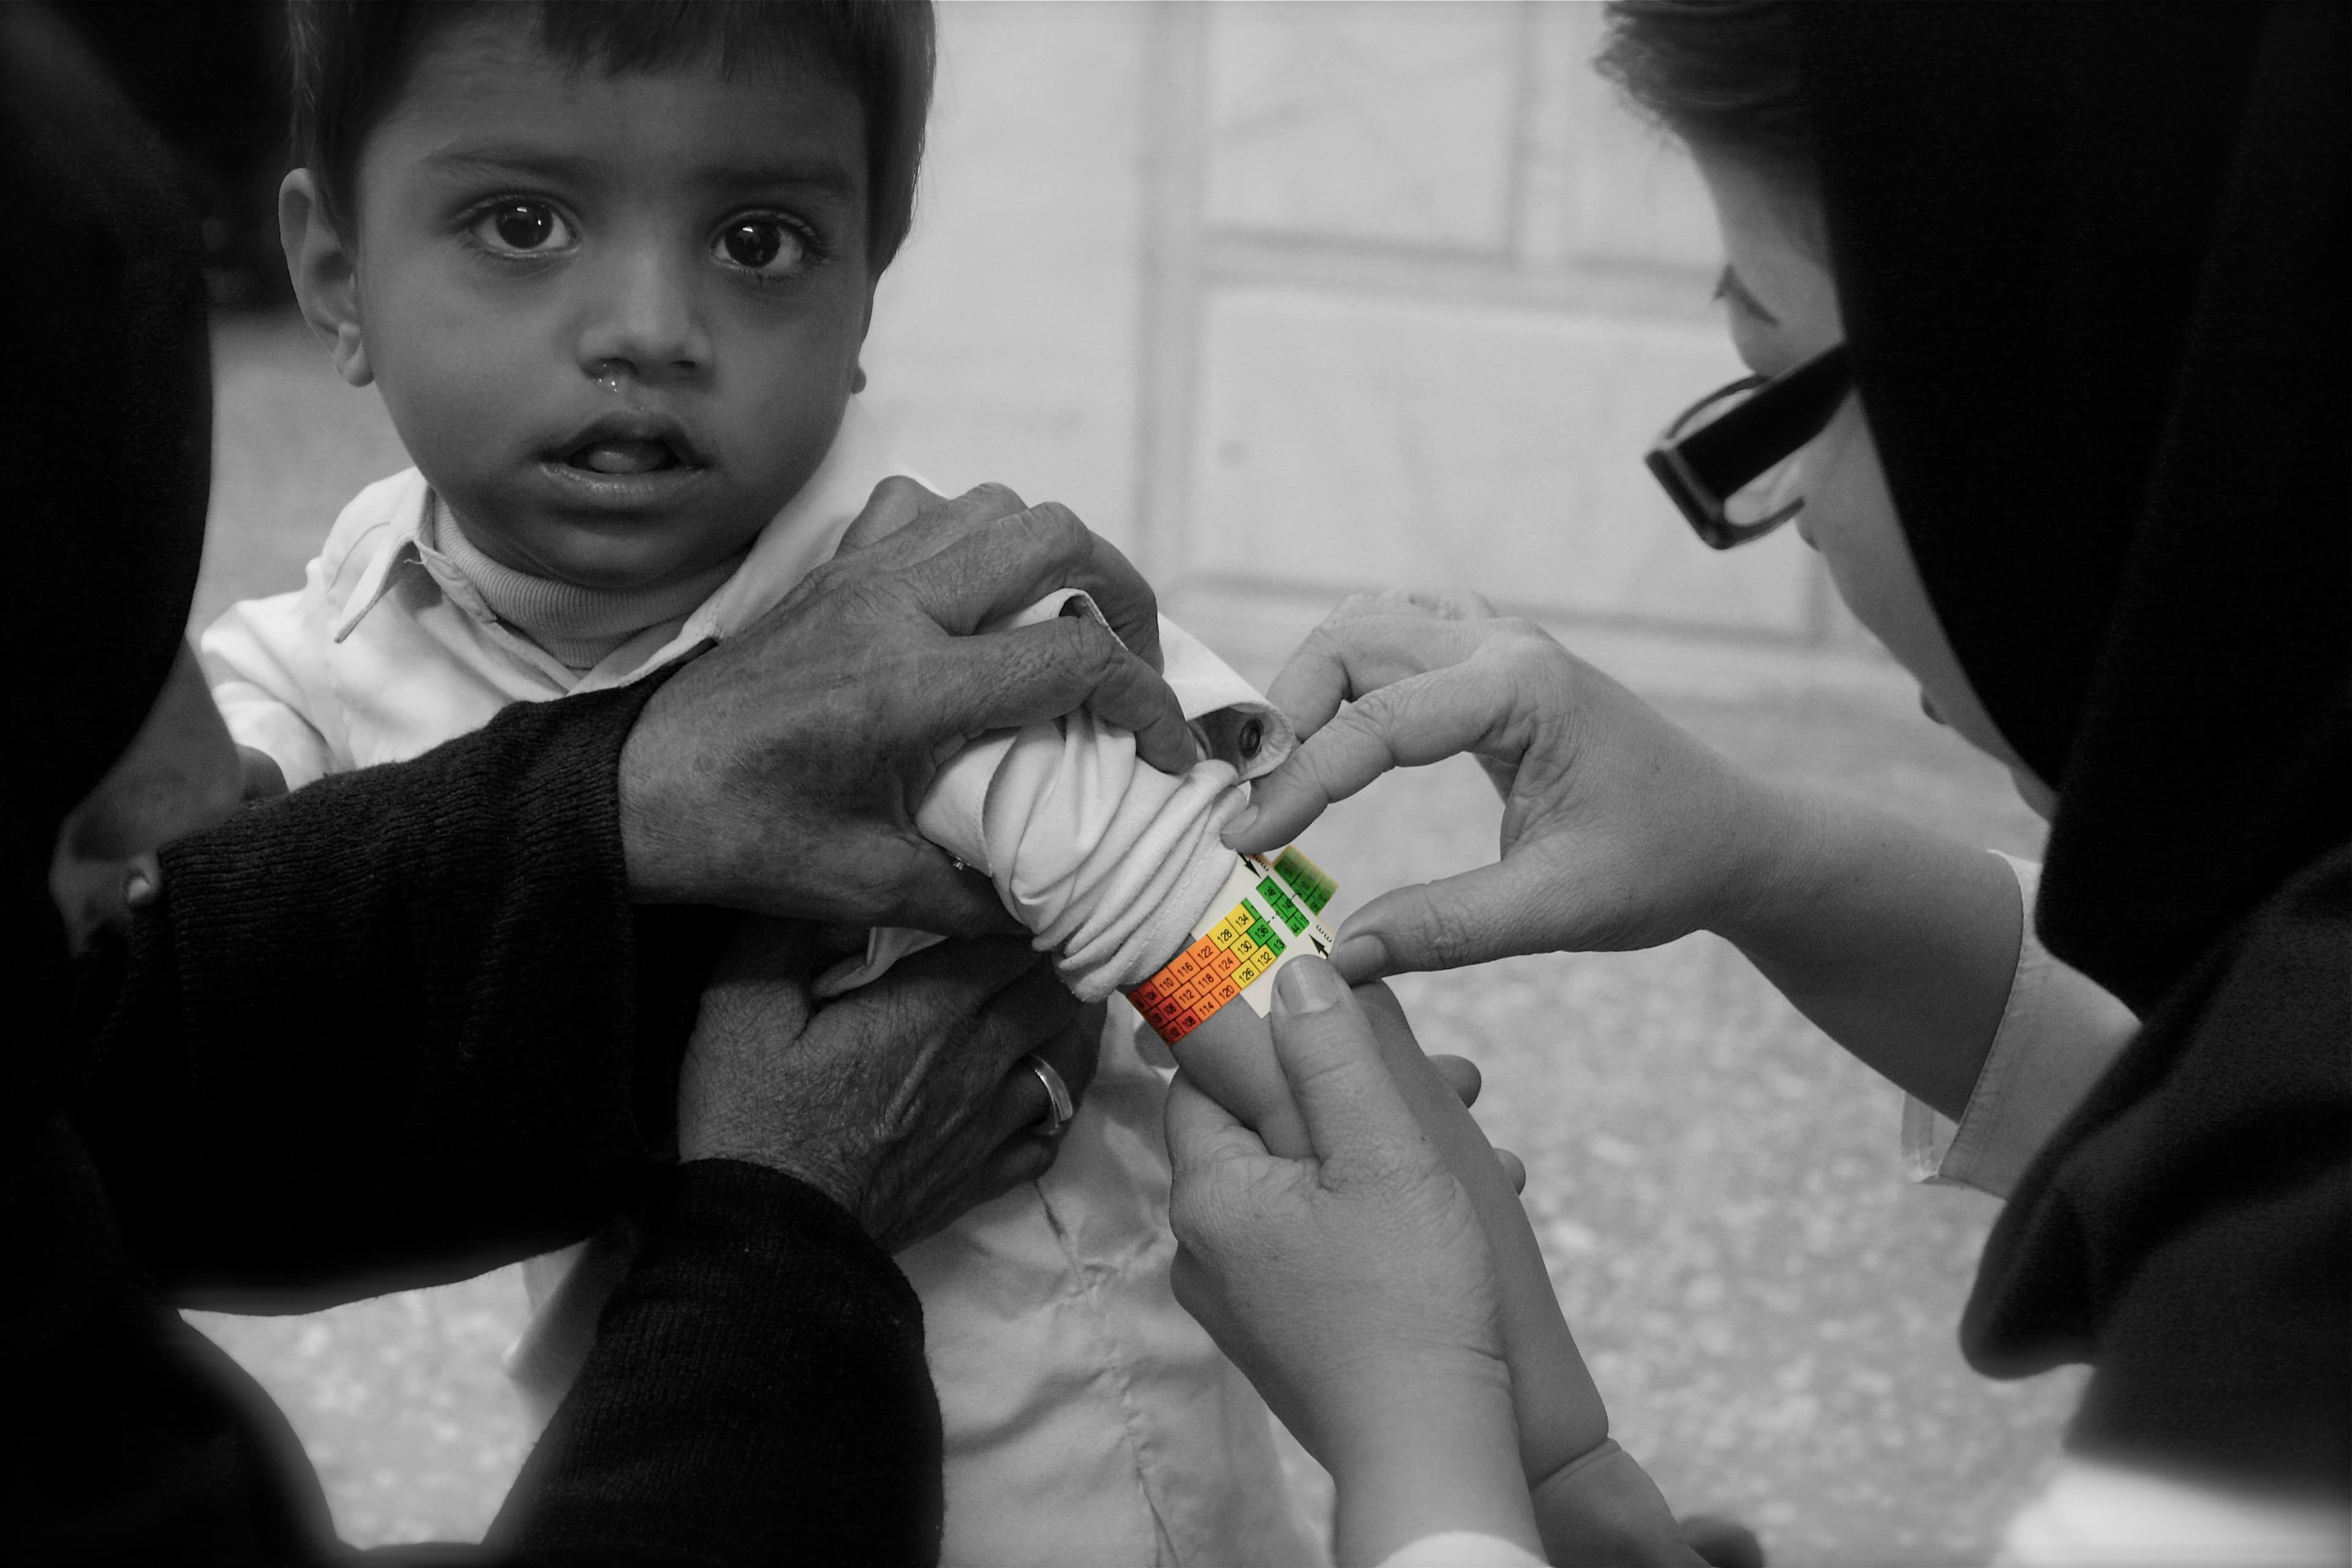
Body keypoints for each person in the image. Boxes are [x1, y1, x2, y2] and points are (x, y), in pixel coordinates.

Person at [2, 4, 1194, 1561]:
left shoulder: (957, 633)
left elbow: (1238, 912)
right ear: (335, 276)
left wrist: (1340, 1067)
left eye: (759, 239)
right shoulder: (323, 648)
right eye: (521, 222)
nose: (650, 323)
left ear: (867, 292)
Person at [1184, 0, 2348, 1561]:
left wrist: (1421, 1443)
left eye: (1776, 381)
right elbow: (2179, 1061)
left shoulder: (2282, 1348)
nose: (1788, 506)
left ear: (2075, 369)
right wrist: (1760, 856)